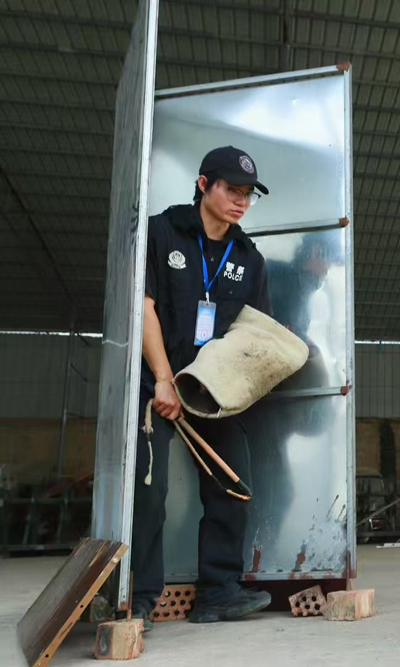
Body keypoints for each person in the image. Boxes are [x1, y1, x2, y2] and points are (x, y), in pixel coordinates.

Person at [131, 146, 273, 630]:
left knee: (232, 486)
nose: (240, 202)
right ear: (202, 184)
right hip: (161, 382)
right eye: (231, 190)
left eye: (248, 195)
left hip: (214, 391)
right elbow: (144, 308)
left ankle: (218, 592)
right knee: (150, 491)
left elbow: (252, 335)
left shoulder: (249, 260)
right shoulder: (161, 231)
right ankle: (139, 599)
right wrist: (164, 380)